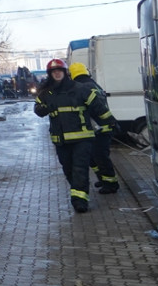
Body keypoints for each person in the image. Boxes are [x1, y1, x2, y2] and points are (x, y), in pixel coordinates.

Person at [33, 58, 116, 213]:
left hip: (82, 138)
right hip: (61, 140)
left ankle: (80, 201)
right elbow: (37, 110)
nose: (57, 73)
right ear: (50, 74)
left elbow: (98, 107)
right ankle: (78, 193)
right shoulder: (47, 93)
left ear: (65, 72)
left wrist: (110, 121)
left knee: (80, 168)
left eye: (59, 70)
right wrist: (45, 108)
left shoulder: (81, 89)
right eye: (53, 71)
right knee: (68, 169)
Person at [68, 61, 121, 194]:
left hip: (100, 128)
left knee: (101, 157)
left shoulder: (83, 87)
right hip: (100, 127)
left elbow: (94, 108)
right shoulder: (93, 84)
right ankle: (104, 179)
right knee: (94, 157)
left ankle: (111, 184)